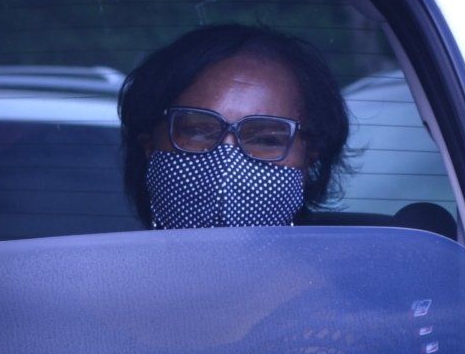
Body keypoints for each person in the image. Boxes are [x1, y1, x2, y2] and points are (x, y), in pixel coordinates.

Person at [118, 24, 349, 229]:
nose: (226, 165)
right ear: (149, 147)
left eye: (265, 140)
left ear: (308, 162)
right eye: (197, 132)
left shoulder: (348, 264)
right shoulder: (108, 263)